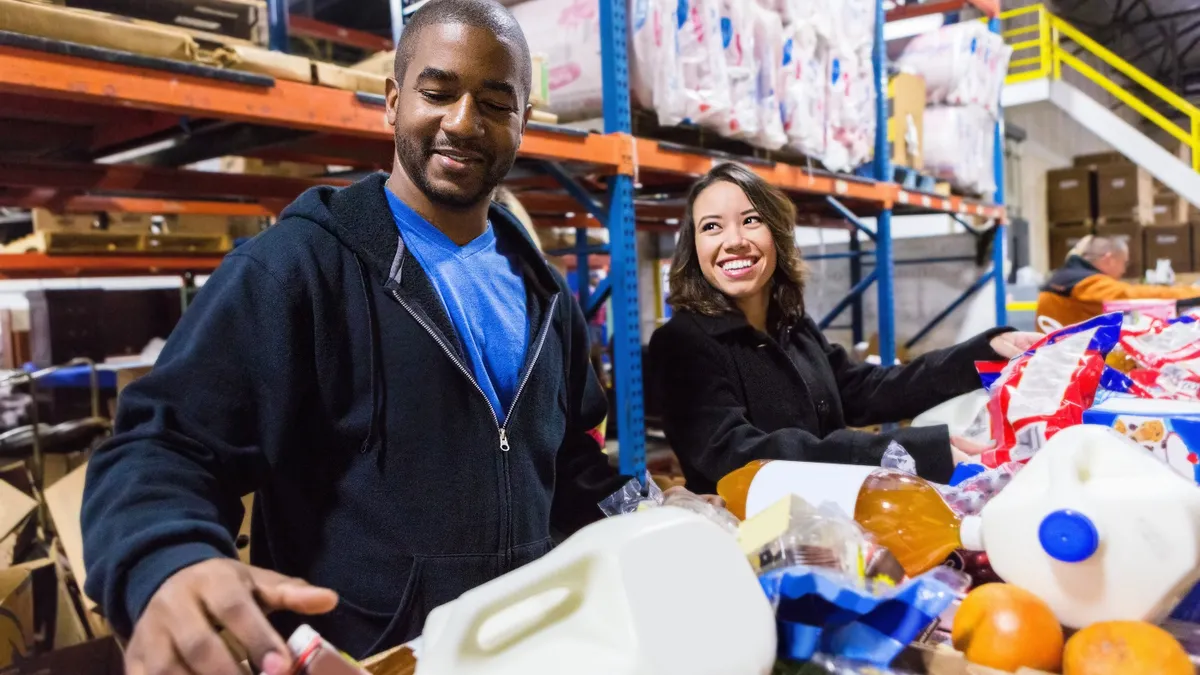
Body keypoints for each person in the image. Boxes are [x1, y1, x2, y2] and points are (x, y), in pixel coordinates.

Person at [80, 2, 713, 672]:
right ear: (391, 102)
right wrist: (165, 559)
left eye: (496, 103)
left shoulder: (544, 293)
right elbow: (163, 444)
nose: (463, 122)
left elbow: (570, 467)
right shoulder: (301, 268)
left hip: (525, 649)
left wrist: (654, 509)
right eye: (437, 93)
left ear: (523, 124)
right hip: (372, 658)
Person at [649, 163, 1040, 494]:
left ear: (778, 236)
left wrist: (985, 352)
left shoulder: (791, 325)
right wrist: (908, 452)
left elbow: (865, 389)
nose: (733, 241)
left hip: (832, 523)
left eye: (751, 221)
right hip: (754, 545)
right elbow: (738, 456)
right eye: (711, 227)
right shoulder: (683, 345)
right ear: (694, 248)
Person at [1036, 235, 1200, 332]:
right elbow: (1134, 296)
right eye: (1124, 263)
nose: (1123, 271)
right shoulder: (1086, 283)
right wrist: (1193, 292)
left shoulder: (1066, 277)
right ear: (1109, 259)